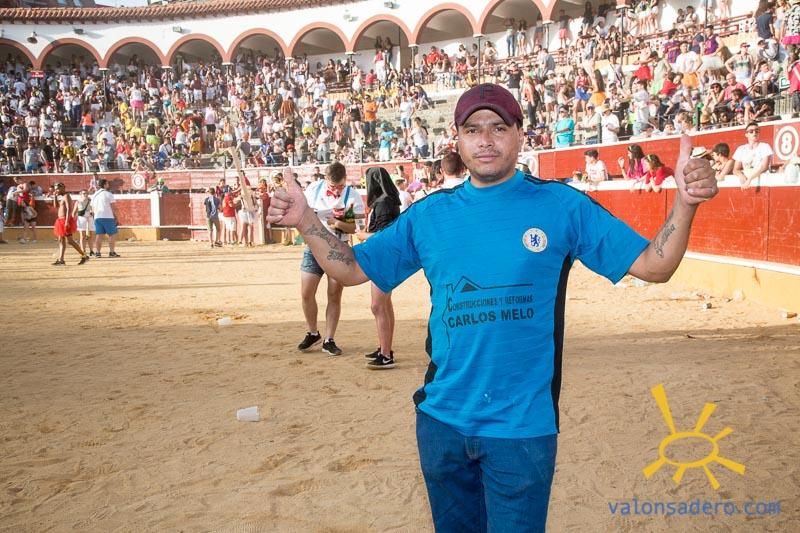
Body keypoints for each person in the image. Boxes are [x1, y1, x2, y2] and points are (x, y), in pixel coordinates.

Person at [267, 83, 718, 532]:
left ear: (520, 134)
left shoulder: (562, 206)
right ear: (458, 140)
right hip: (442, 423)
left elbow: (654, 265)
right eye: (472, 129)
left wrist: (685, 202)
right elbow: (351, 270)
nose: (485, 139)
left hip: (522, 430)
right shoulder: (429, 215)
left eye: (498, 127)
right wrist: (306, 221)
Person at [296, 162, 365, 356]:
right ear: (325, 180)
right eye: (333, 186)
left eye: (341, 186)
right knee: (306, 292)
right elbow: (303, 214)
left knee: (334, 295)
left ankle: (329, 338)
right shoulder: (313, 189)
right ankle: (312, 332)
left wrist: (337, 223)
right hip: (314, 246)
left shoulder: (352, 195)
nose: (337, 190)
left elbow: (354, 228)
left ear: (345, 180)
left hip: (339, 248)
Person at [357, 167, 402, 369]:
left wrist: (362, 235)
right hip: (387, 257)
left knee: (377, 306)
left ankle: (385, 354)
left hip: (383, 257)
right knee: (384, 304)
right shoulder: (389, 200)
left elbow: (383, 236)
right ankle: (385, 348)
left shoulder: (383, 203)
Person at [52, 183, 89, 266]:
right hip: (61, 220)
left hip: (65, 220)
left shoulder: (66, 196)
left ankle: (84, 255)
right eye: (55, 189)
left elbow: (69, 209)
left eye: (58, 188)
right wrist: (54, 196)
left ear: (63, 188)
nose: (56, 190)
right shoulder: (62, 197)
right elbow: (55, 206)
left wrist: (67, 222)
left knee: (70, 241)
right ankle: (61, 260)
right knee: (61, 240)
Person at [733, 122, 773, 189]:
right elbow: (735, 169)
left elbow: (764, 167)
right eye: (751, 131)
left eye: (756, 131)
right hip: (747, 182)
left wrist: (750, 179)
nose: (754, 133)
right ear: (746, 134)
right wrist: (741, 176)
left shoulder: (765, 146)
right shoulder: (741, 149)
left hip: (762, 183)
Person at [91, 178, 120, 258]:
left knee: (99, 235)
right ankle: (111, 252)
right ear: (104, 185)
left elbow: (92, 208)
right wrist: (117, 217)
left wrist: (95, 217)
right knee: (112, 234)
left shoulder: (94, 195)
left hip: (97, 217)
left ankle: (98, 252)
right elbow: (113, 207)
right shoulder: (108, 194)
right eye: (107, 183)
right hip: (108, 217)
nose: (108, 185)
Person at [72, 189, 95, 256]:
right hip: (81, 218)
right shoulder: (78, 201)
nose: (85, 194)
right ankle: (83, 251)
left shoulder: (91, 201)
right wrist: (72, 220)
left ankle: (91, 251)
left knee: (91, 235)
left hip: (90, 218)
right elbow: (74, 211)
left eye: (86, 193)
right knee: (82, 235)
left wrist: (93, 212)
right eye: (84, 193)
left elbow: (93, 209)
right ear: (81, 194)